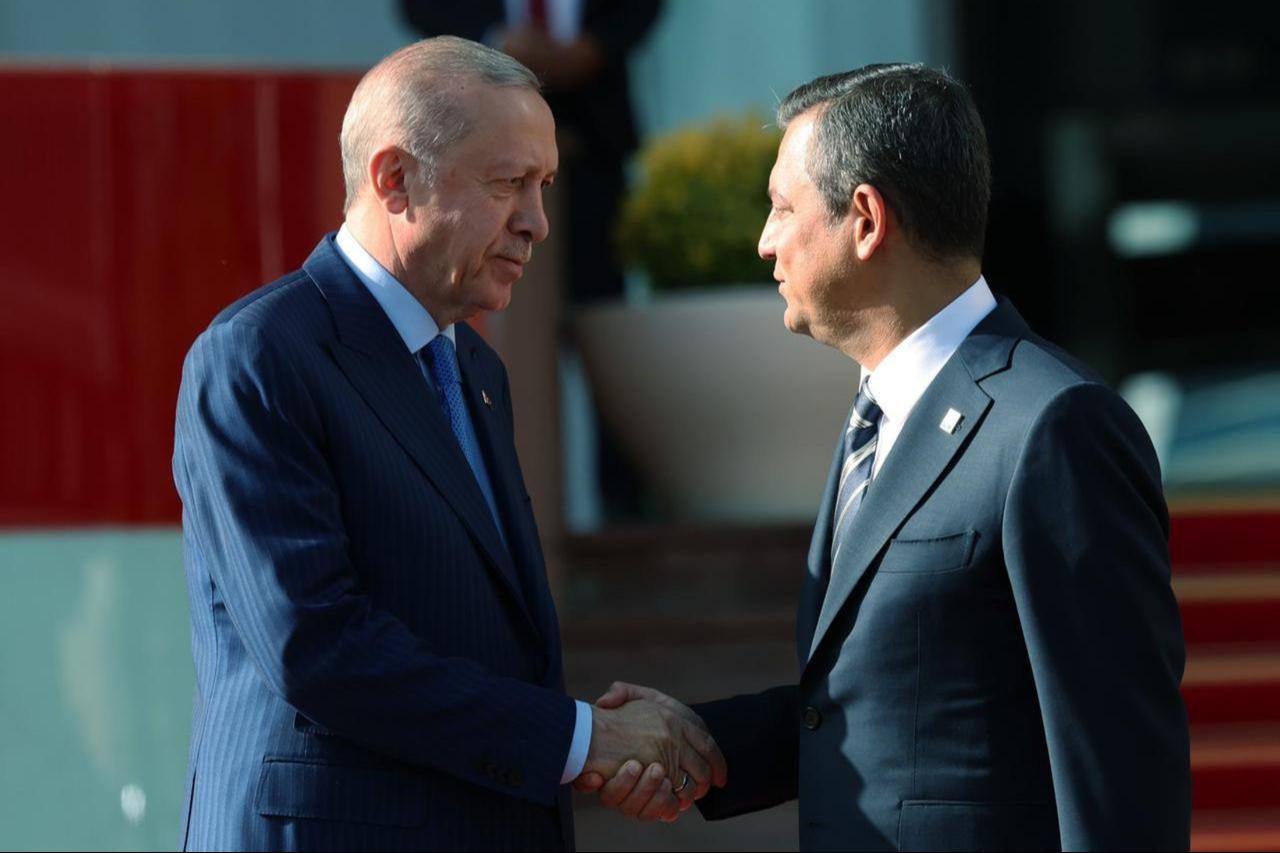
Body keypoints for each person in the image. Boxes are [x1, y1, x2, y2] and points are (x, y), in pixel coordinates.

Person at [577, 64, 1191, 851]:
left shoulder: (1052, 426)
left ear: (864, 219)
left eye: (781, 206)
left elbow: (1120, 773)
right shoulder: (878, 416)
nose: (764, 240)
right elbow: (882, 701)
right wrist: (703, 741)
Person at [172, 36, 722, 852]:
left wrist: (580, 741)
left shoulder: (476, 372)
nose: (536, 222)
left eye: (544, 186)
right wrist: (578, 739)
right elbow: (316, 645)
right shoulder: (260, 354)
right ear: (394, 178)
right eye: (509, 184)